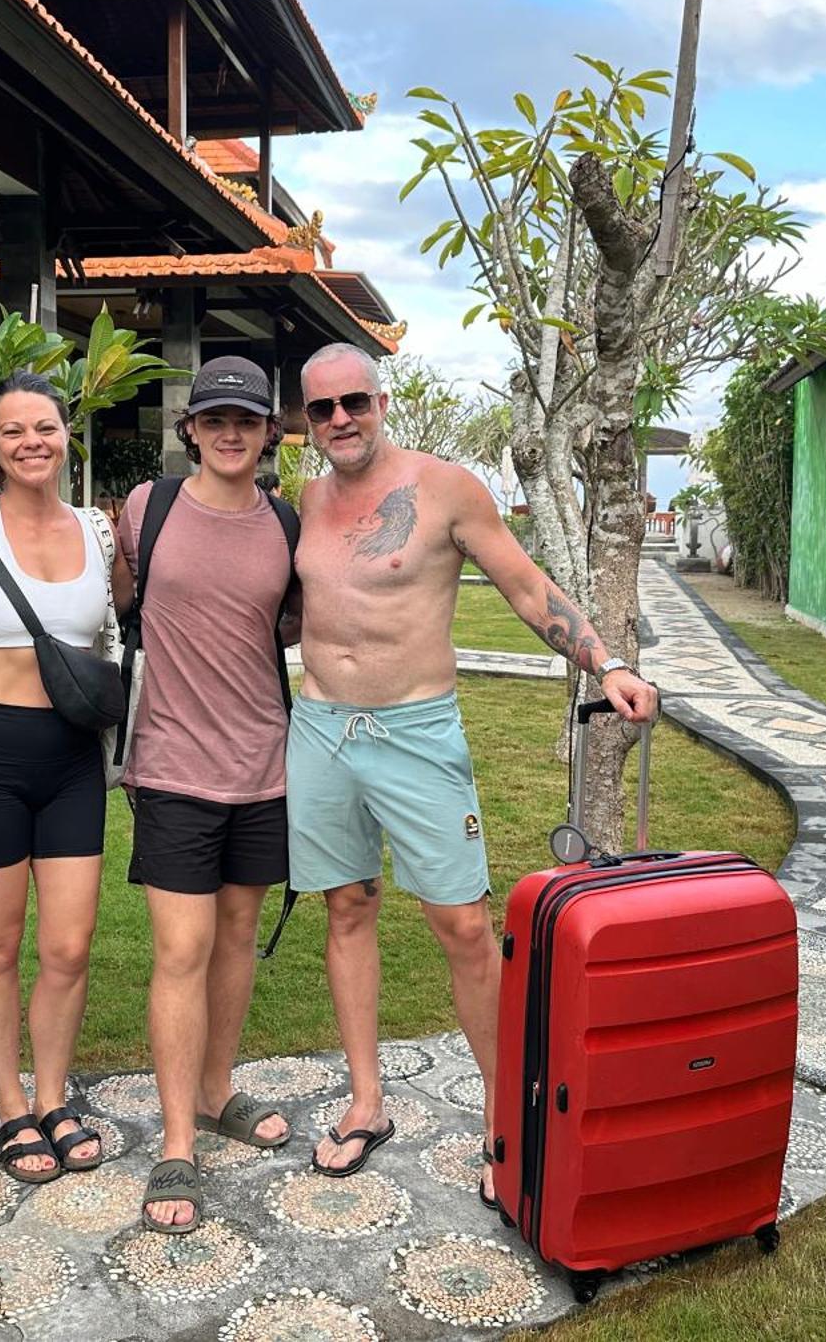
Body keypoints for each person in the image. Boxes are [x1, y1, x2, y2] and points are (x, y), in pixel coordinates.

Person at [288, 342, 659, 1208]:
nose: (340, 419)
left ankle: (506, 1122)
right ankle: (367, 1102)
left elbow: (529, 589)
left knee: (461, 924)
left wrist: (604, 663)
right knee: (347, 909)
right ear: (306, 424)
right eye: (321, 409)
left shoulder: (447, 488)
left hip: (417, 732)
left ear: (380, 402)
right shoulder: (304, 500)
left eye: (354, 402)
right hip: (322, 730)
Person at [113, 356, 299, 1234]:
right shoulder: (146, 511)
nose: (231, 433)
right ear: (191, 428)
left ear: (269, 433)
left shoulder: (287, 524)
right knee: (180, 949)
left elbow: (297, 627)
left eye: (248, 420)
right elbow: (113, 606)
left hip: (266, 766)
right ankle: (177, 1142)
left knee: (234, 939)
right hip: (174, 767)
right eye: (215, 418)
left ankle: (219, 1089)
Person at [0, 371, 116, 1186]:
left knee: (69, 947)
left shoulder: (98, 529)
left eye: (44, 427)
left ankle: (53, 1094)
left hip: (72, 757)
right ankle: (11, 1106)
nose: (32, 443)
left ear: (64, 433)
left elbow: (119, 629)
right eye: (14, 432)